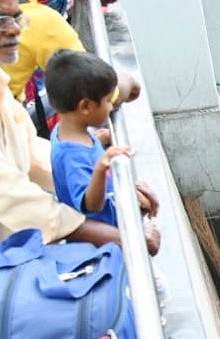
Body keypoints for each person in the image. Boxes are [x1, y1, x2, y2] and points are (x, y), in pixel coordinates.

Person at [45, 50, 158, 233]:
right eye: (107, 101)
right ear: (86, 107)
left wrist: (100, 140)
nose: (112, 106)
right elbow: (91, 205)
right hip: (112, 230)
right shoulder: (72, 158)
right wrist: (100, 168)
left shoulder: (66, 130)